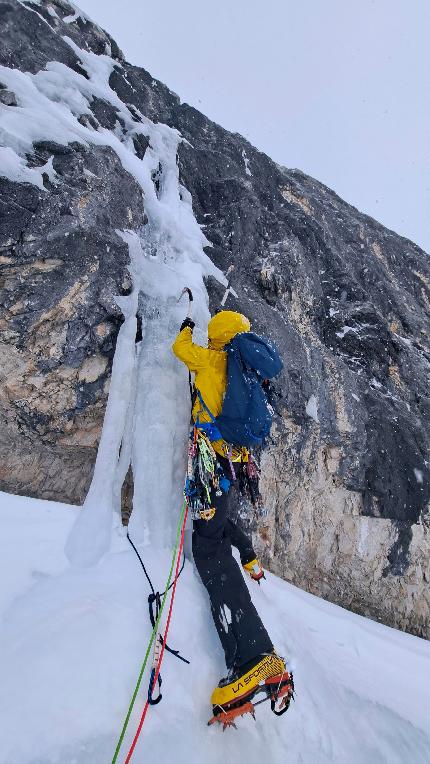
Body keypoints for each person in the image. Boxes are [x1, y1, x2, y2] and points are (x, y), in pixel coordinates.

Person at [172, 310, 286, 710]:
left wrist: (185, 327)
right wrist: (251, 555)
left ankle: (254, 657)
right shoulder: (246, 369)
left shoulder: (211, 357)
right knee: (217, 532)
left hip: (210, 464)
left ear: (216, 335)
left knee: (208, 549)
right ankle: (258, 662)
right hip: (230, 465)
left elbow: (179, 349)